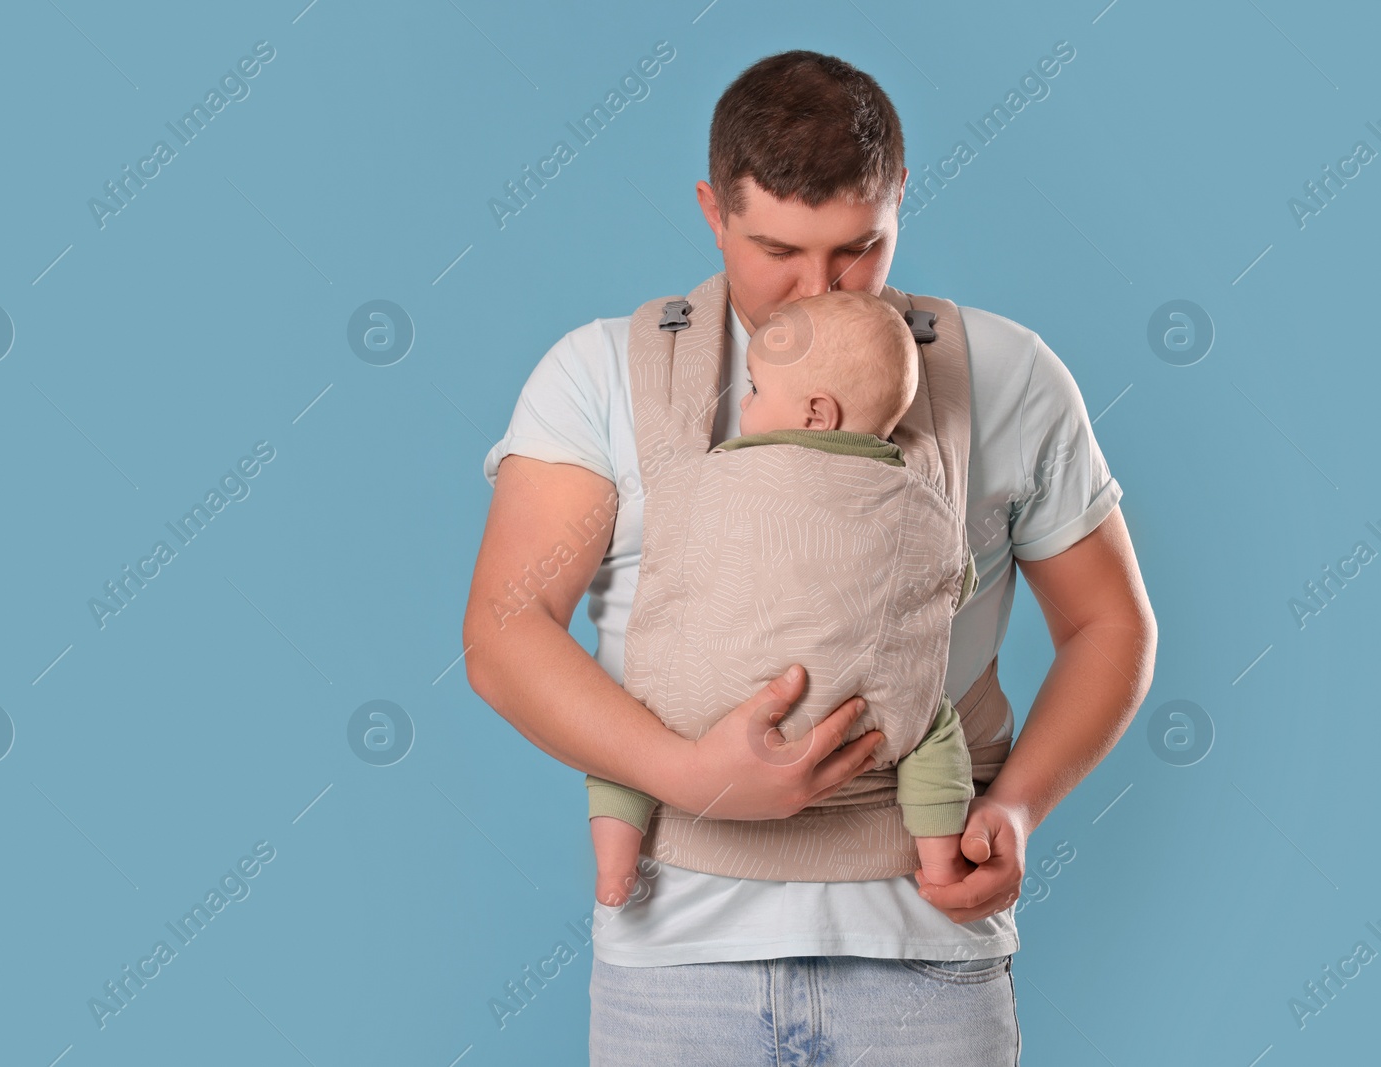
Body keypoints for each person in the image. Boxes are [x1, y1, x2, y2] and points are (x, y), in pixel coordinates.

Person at [463, 49, 1156, 1065]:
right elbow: (503, 631)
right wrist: (692, 775)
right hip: (674, 956)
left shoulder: (1004, 373)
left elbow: (1108, 625)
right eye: (778, 249)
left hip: (926, 951)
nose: (818, 287)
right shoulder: (601, 372)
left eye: (857, 249)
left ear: (900, 199)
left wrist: (1013, 808)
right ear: (712, 209)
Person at [585, 289, 981, 907]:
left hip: (692, 716)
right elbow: (954, 583)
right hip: (860, 725)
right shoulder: (921, 502)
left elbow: (671, 555)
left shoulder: (707, 477)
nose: (743, 405)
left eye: (755, 391)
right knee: (933, 730)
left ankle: (615, 864)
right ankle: (940, 865)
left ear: (816, 413)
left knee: (625, 728)